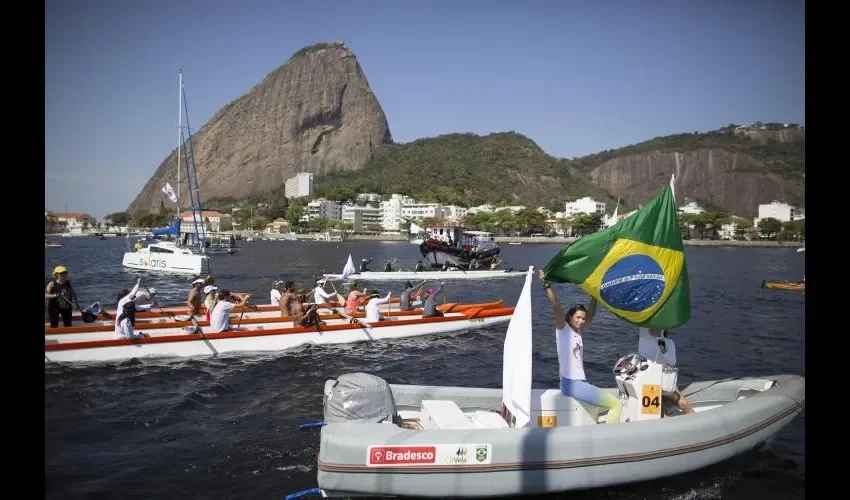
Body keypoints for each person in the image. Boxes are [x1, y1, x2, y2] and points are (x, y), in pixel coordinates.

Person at [538, 269, 621, 425]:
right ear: (570, 317)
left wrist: (594, 295)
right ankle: (608, 439)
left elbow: (591, 315)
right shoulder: (563, 329)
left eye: (583, 318)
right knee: (616, 404)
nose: (582, 321)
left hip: (578, 383)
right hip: (571, 384)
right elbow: (556, 307)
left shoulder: (578, 332)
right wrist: (546, 284)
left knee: (605, 404)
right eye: (578, 317)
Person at [638, 327, 695, 415]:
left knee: (683, 403)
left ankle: (693, 418)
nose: (651, 328)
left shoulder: (667, 342)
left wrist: (662, 345)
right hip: (650, 382)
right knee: (659, 410)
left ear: (663, 329)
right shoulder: (644, 340)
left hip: (661, 382)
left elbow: (672, 361)